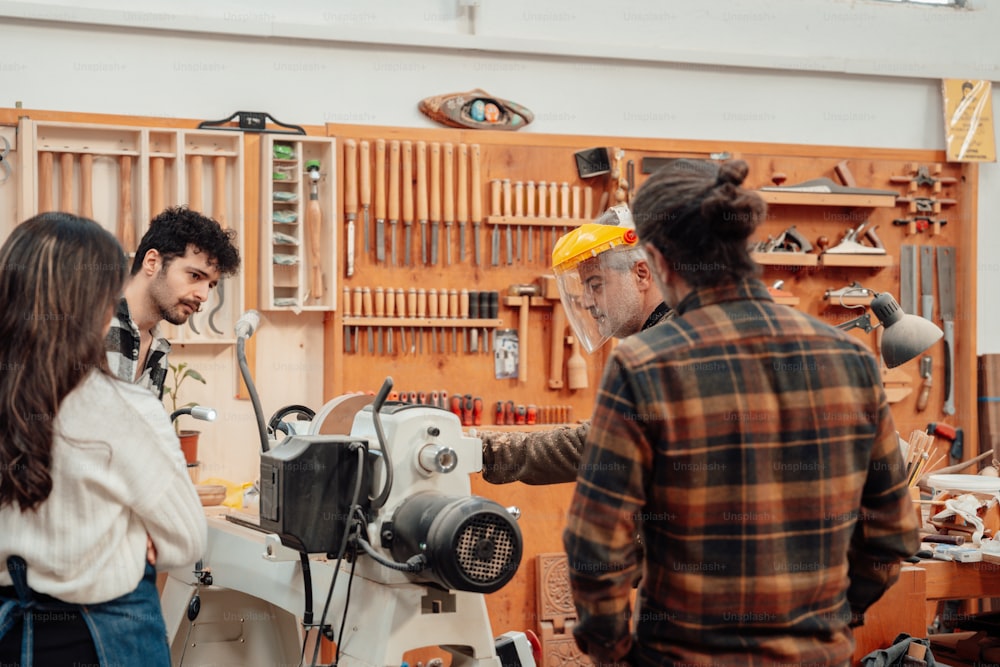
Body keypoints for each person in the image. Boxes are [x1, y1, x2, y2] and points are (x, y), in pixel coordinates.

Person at [563, 159, 920, 667]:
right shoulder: (852, 360)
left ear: (657, 260)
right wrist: (833, 620)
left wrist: (617, 655)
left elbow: (594, 547)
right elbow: (891, 536)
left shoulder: (644, 364)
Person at [0, 212, 207, 666]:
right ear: (91, 304)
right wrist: (132, 536)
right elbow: (189, 538)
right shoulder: (121, 407)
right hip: (106, 637)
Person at [480, 207, 670, 485]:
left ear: (641, 274)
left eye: (596, 285)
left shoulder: (667, 347)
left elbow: (600, 445)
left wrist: (489, 452)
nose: (588, 302)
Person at [106, 205, 240, 398]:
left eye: (210, 285)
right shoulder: (92, 325)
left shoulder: (158, 348)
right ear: (152, 262)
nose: (203, 296)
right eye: (195, 275)